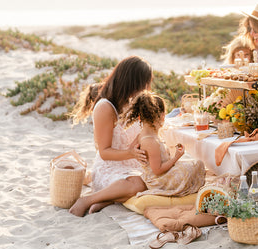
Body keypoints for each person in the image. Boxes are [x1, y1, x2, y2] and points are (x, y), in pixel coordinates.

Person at [70, 91, 205, 217]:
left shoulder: (143, 135)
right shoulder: (151, 140)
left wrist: (140, 154)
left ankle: (107, 200)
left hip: (149, 175)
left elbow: (133, 148)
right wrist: (175, 157)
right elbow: (158, 170)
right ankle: (89, 200)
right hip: (156, 177)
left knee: (137, 185)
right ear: (162, 116)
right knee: (196, 166)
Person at [70, 56, 152, 212]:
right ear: (133, 82)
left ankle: (106, 199)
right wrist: (131, 153)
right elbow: (104, 152)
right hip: (111, 169)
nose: (146, 88)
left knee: (160, 179)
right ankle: (87, 200)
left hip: (134, 168)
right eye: (144, 84)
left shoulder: (132, 102)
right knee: (139, 185)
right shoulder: (105, 107)